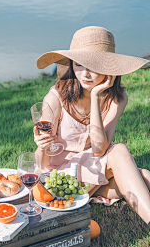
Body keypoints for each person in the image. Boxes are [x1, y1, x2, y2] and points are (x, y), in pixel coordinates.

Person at [34, 26, 150, 227]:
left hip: (91, 173)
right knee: (120, 151)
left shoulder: (118, 98)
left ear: (109, 67)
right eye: (79, 64)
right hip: (58, 181)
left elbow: (99, 149)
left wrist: (96, 96)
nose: (85, 74)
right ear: (71, 64)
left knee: (145, 176)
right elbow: (41, 163)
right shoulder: (55, 98)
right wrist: (42, 145)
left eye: (94, 66)